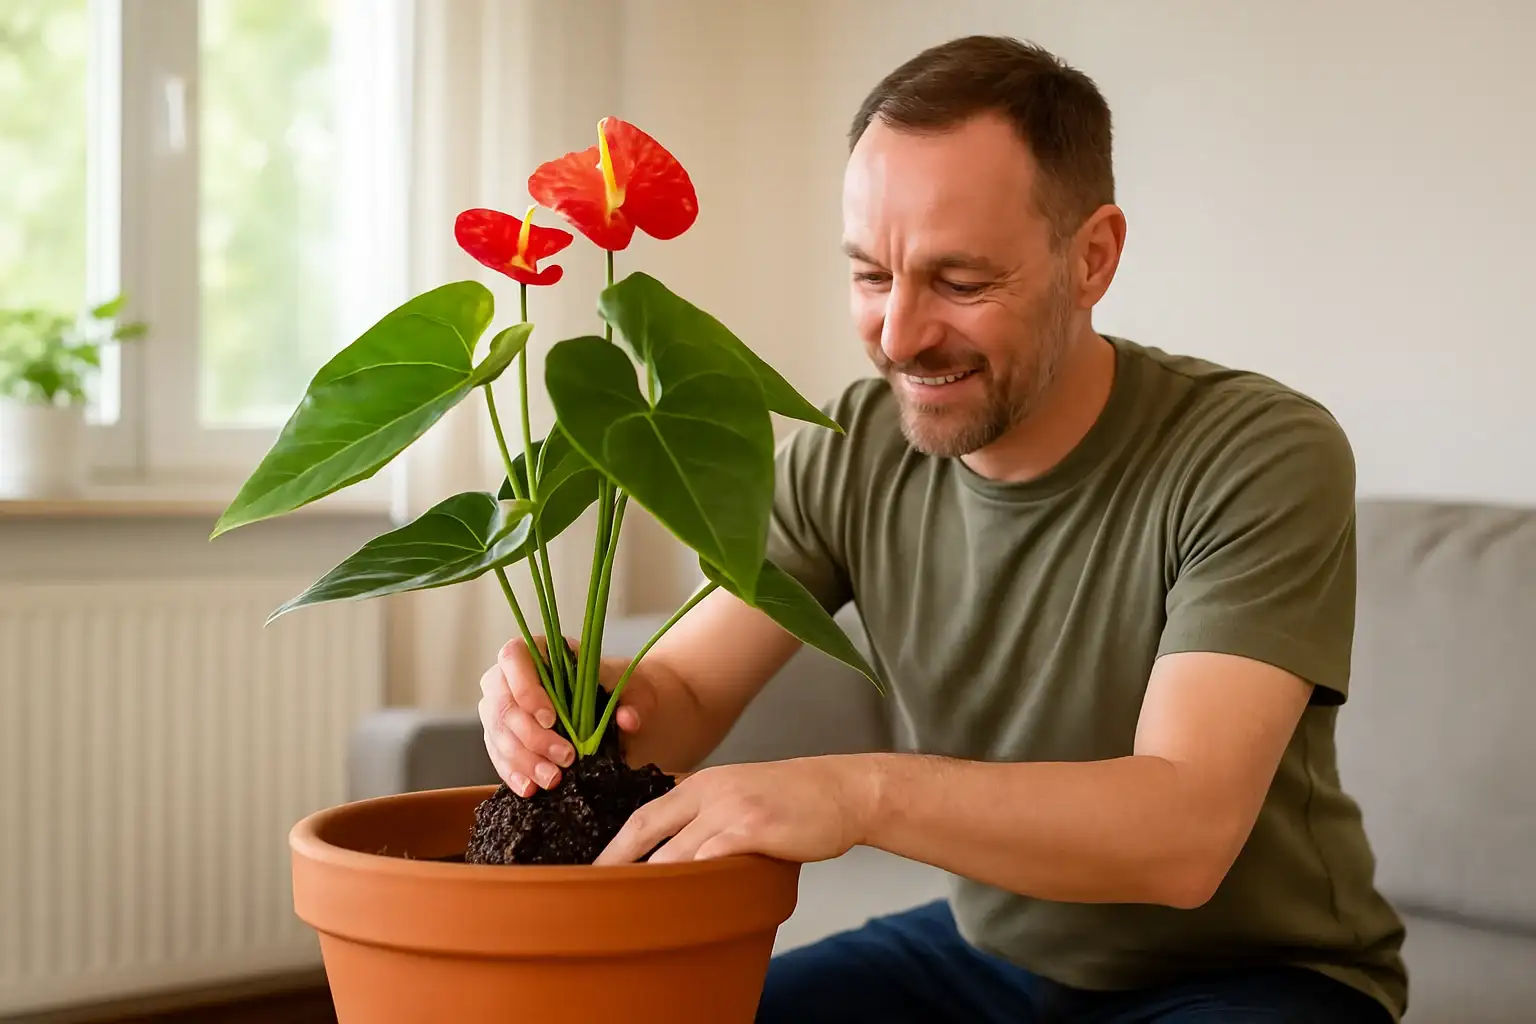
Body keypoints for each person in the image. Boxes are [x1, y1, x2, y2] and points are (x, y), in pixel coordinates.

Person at [478, 34, 1408, 1024]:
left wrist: (860, 793)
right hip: (985, 953)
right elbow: (685, 693)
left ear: (1092, 258)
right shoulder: (855, 450)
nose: (899, 334)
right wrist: (574, 692)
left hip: (1256, 978)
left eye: (960, 283)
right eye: (873, 274)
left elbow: (1183, 834)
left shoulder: (1258, 451)